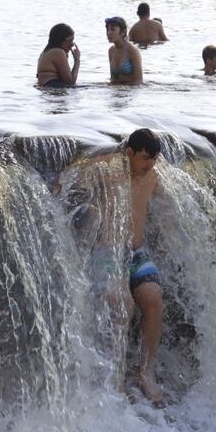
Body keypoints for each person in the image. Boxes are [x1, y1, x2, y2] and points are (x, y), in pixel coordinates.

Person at [76, 128, 166, 403]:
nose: (149, 164)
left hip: (136, 252)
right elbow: (72, 176)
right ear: (129, 153)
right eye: (144, 158)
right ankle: (113, 378)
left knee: (153, 298)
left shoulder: (152, 176)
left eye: (153, 159)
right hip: (107, 252)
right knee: (122, 304)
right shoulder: (107, 170)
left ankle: (144, 371)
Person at [37, 23, 80, 87]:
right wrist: (77, 60)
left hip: (48, 89)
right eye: (70, 40)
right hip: (54, 87)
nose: (72, 44)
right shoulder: (58, 52)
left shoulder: (46, 52)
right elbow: (70, 82)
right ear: (60, 39)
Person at [106, 16, 143, 85]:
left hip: (130, 92)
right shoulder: (111, 51)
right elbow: (113, 79)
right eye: (107, 30)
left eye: (113, 29)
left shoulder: (133, 51)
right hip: (117, 90)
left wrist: (123, 89)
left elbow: (139, 81)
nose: (109, 33)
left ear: (123, 32)